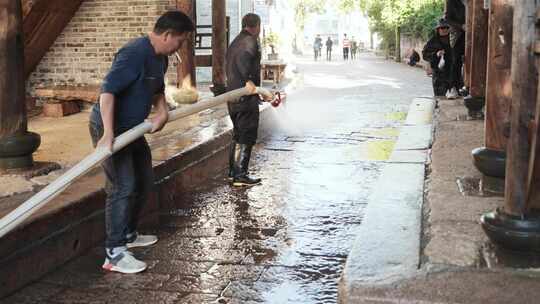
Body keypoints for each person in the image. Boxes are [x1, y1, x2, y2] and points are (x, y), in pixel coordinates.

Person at [88, 11, 195, 274]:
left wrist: (162, 110)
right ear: (167, 35)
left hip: (133, 129)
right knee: (123, 185)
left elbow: (157, 90)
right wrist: (108, 133)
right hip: (111, 126)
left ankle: (128, 235)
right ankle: (114, 253)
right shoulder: (134, 53)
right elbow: (108, 93)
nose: (179, 47)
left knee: (144, 180)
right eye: (179, 41)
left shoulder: (161, 59)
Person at [226, 13, 270, 187]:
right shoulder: (250, 41)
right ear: (257, 26)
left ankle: (233, 172)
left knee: (238, 133)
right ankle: (240, 175)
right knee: (247, 134)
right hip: (245, 96)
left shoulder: (235, 41)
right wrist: (251, 84)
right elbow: (245, 65)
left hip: (232, 96)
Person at [422, 18, 464, 98]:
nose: (444, 30)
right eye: (442, 28)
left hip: (454, 74)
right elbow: (425, 54)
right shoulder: (433, 41)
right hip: (439, 76)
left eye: (446, 27)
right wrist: (436, 54)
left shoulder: (454, 40)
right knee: (440, 98)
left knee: (457, 98)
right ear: (438, 29)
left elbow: (461, 51)